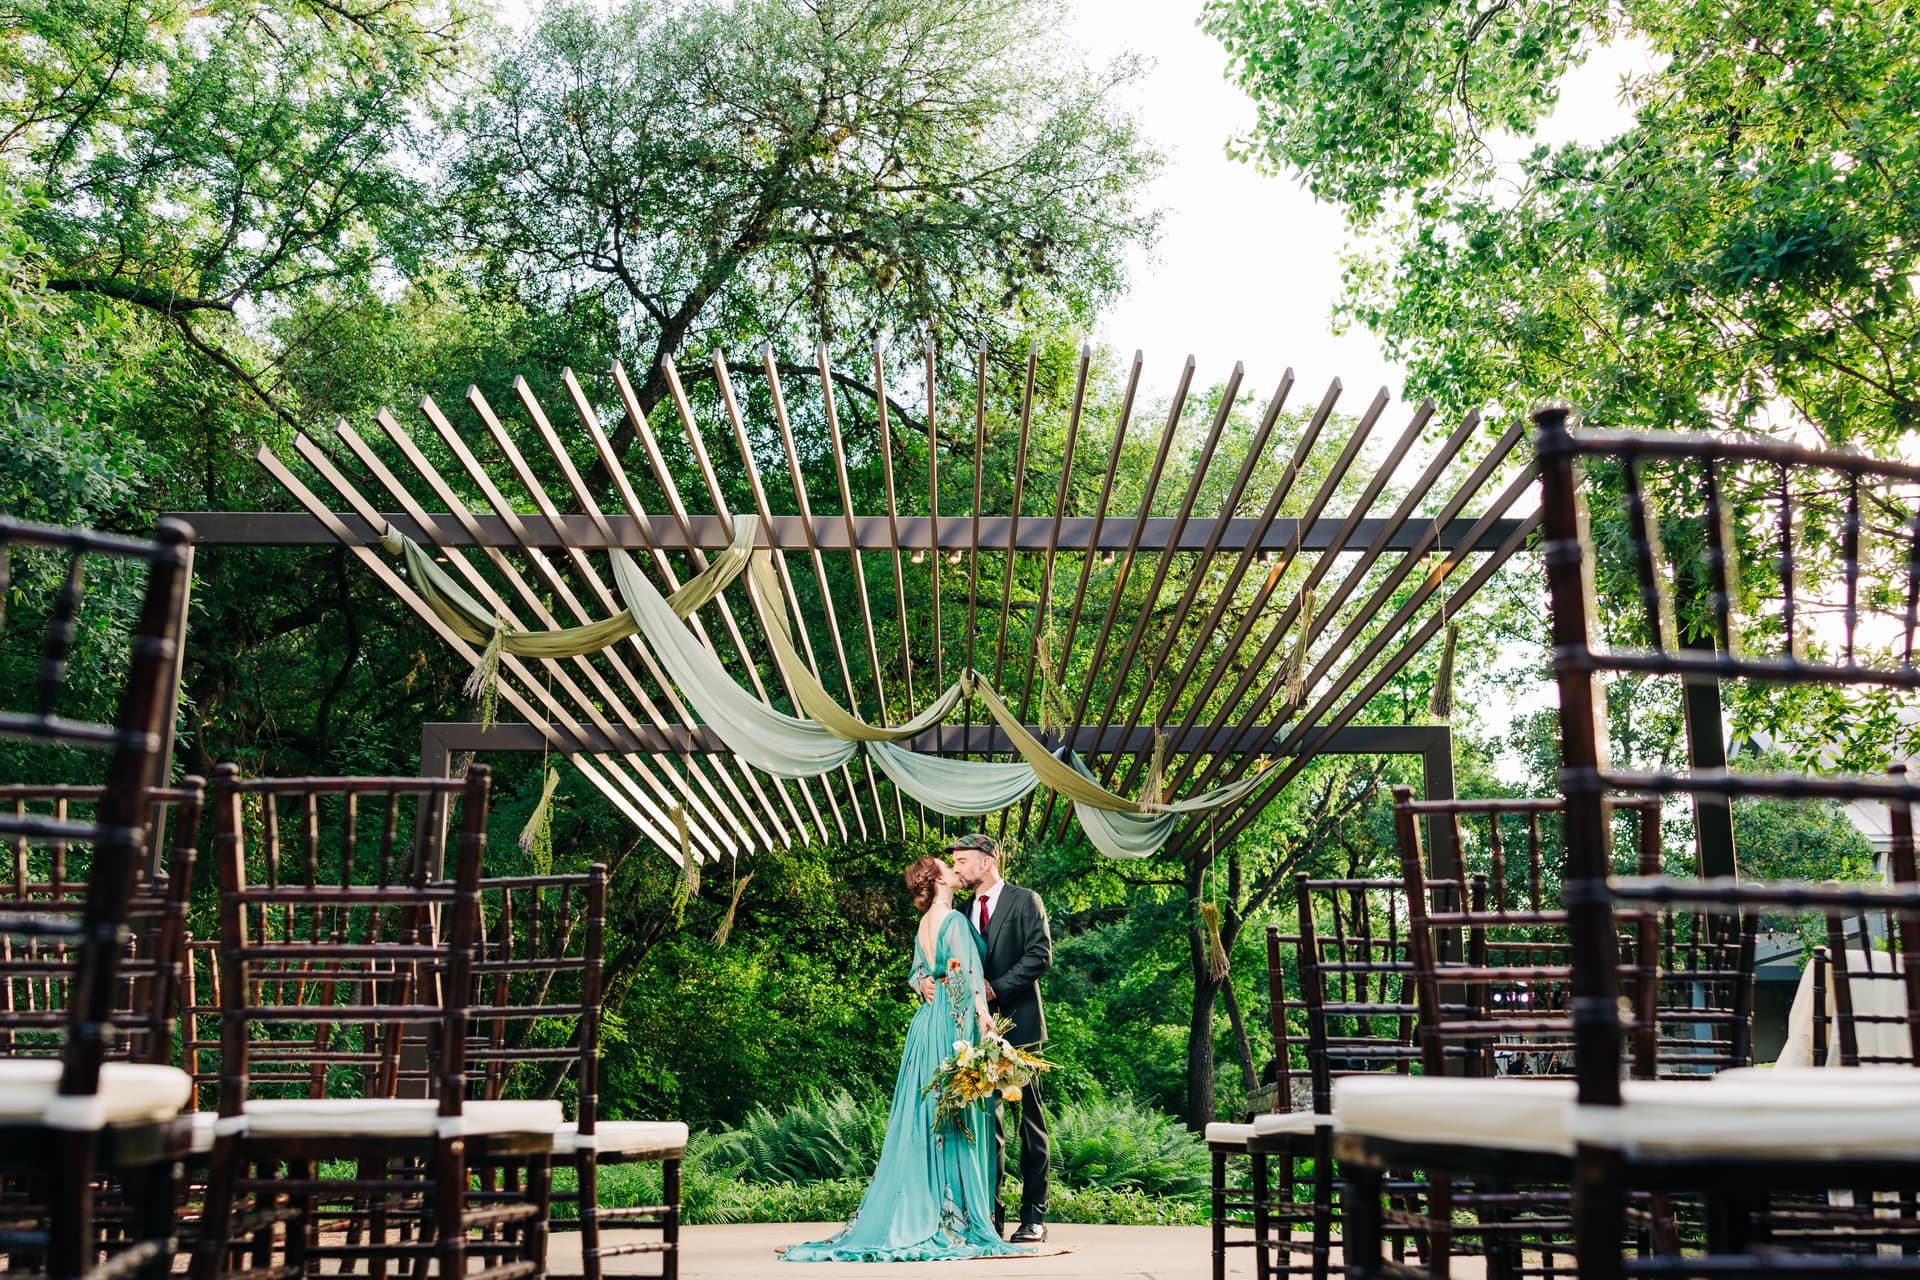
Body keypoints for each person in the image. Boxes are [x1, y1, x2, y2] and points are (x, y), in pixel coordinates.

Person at [781, 854, 1030, 1263]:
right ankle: (956, 1216)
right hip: (952, 1025)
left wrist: (925, 985)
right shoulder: (953, 921)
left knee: (927, 1116)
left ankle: (932, 1206)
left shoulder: (924, 923)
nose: (955, 870)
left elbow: (917, 972)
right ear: (937, 880)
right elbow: (970, 979)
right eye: (946, 867)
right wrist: (987, 1025)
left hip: (926, 1026)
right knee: (955, 1116)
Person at [942, 832, 1053, 1244]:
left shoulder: (1026, 900)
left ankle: (1033, 1217)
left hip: (1021, 1027)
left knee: (1030, 1123)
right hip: (973, 1033)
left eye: (963, 861)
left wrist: (995, 989)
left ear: (986, 862)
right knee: (987, 1124)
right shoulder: (961, 909)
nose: (957, 868)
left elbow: (1040, 955)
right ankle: (990, 1217)